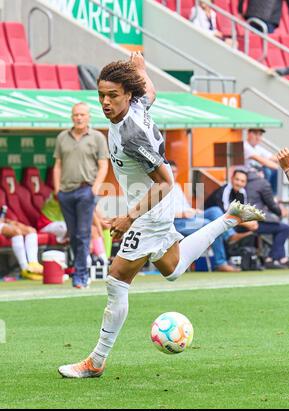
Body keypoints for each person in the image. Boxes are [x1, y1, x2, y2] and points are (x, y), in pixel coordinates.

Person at [58, 53, 265, 379]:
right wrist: (140, 68)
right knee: (171, 267)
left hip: (151, 207)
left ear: (127, 94)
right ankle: (228, 219)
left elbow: (166, 182)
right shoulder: (136, 104)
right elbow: (150, 92)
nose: (105, 102)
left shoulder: (133, 134)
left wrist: (128, 218)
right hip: (152, 205)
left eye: (112, 95)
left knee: (116, 279)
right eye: (101, 95)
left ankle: (95, 361)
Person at [53, 102, 109, 289]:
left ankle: (80, 276)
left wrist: (95, 188)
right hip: (66, 193)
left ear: (88, 117)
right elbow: (58, 165)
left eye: (82, 115)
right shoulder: (62, 137)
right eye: (76, 115)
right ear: (72, 117)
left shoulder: (97, 137)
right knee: (74, 235)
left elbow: (103, 165)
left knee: (84, 233)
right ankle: (82, 270)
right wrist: (57, 189)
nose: (78, 118)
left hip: (86, 190)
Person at [171, 161, 244, 272]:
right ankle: (221, 262)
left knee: (215, 211)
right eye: (170, 171)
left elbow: (185, 206)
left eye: (175, 171)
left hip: (188, 218)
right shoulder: (159, 187)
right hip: (176, 222)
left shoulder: (176, 186)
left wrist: (193, 210)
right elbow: (159, 213)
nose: (173, 174)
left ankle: (230, 235)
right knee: (212, 225)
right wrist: (182, 213)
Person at [246, 167, 289, 268]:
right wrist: (281, 212)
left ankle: (279, 258)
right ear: (261, 173)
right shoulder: (262, 182)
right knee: (285, 228)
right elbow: (271, 204)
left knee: (279, 227)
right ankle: (273, 258)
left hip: (244, 219)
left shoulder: (243, 181)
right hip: (254, 222)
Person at [205, 169, 259, 236]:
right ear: (232, 178)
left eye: (242, 181)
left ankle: (242, 244)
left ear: (245, 183)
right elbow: (225, 214)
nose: (239, 183)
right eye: (237, 179)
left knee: (253, 225)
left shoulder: (242, 192)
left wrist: (252, 222)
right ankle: (231, 236)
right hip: (209, 215)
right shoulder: (225, 190)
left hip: (227, 219)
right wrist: (245, 223)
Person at [243, 128, 279, 194]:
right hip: (245, 176)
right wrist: (284, 169)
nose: (258, 137)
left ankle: (272, 195)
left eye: (260, 134)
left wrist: (287, 162)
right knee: (270, 171)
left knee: (274, 171)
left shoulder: (257, 147)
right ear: (248, 133)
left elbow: (274, 158)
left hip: (255, 176)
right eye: (255, 134)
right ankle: (271, 195)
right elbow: (263, 161)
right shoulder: (245, 146)